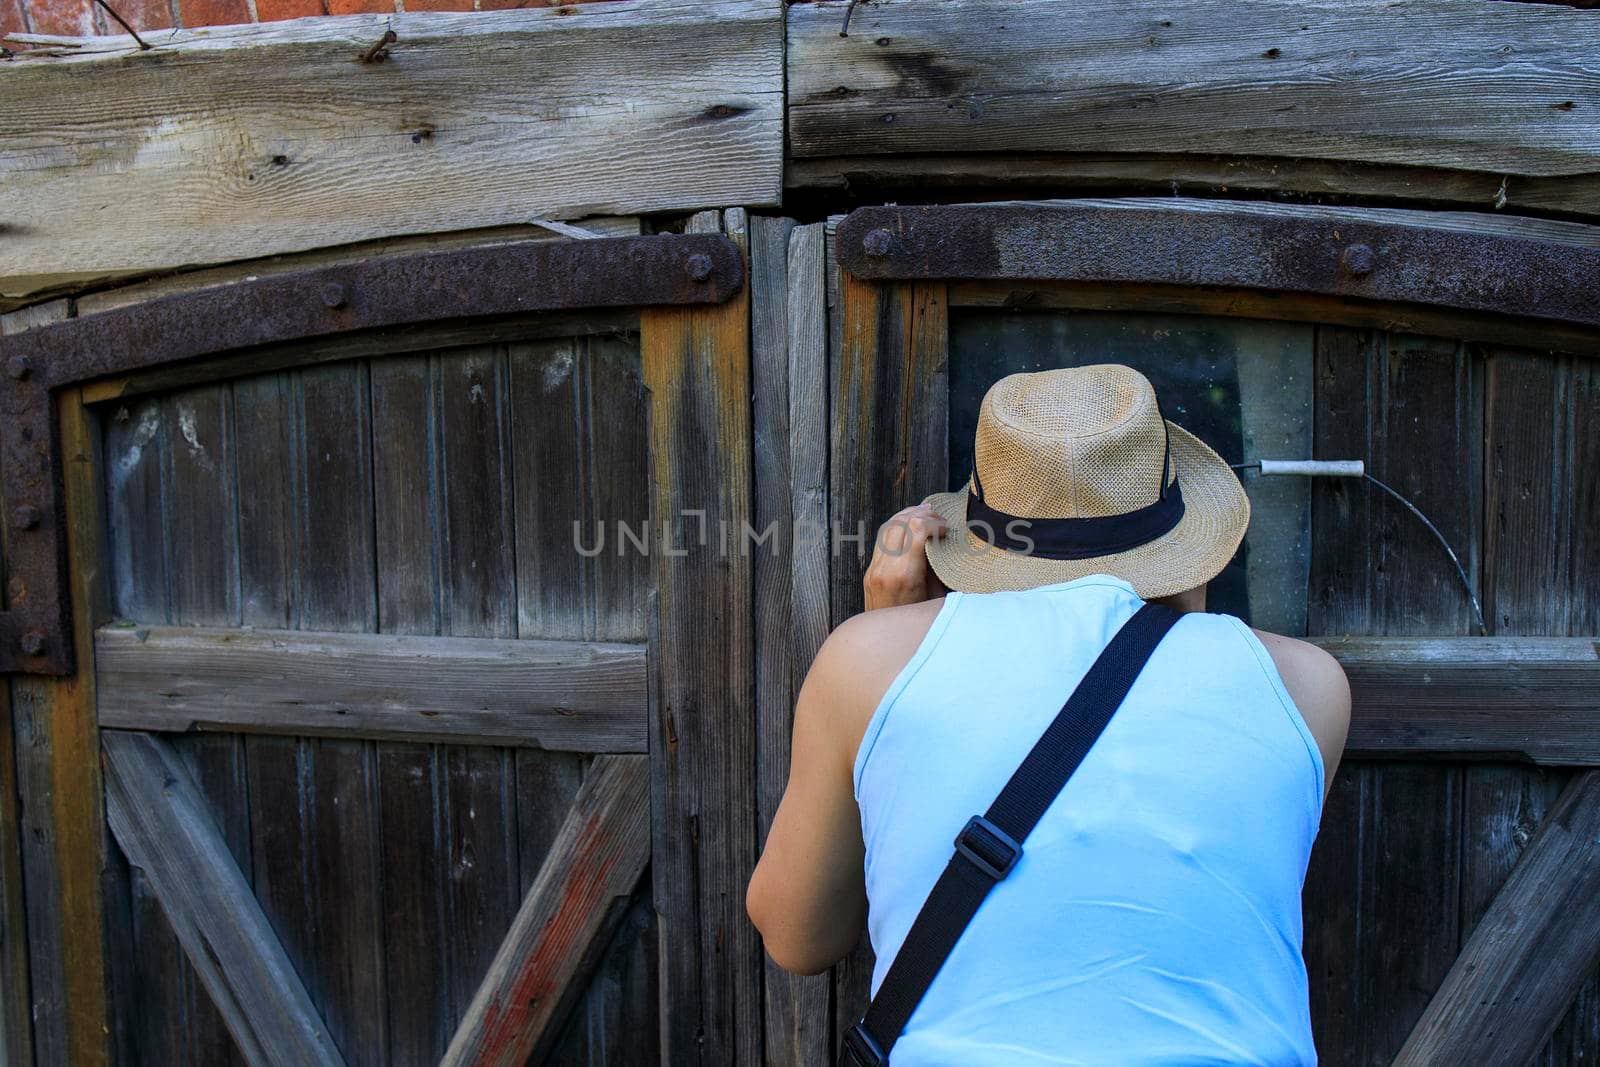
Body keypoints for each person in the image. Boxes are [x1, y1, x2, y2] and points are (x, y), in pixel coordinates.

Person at [747, 364, 1349, 1065]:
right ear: (1186, 537)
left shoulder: (863, 664)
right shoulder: (1309, 686)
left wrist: (898, 635)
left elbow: (798, 936)